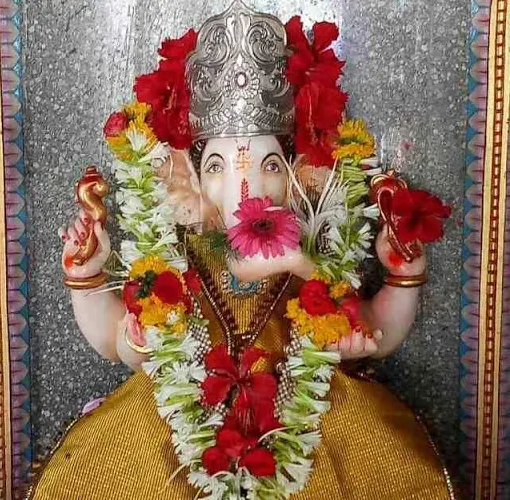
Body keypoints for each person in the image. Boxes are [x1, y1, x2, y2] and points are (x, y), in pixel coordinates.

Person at [28, 2, 455, 499]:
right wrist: (89, 281)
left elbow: (375, 332)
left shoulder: (310, 253)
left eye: (269, 166)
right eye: (217, 167)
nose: (245, 190)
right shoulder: (176, 259)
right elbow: (114, 341)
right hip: (175, 421)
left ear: (299, 175)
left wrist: (401, 277)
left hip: (309, 418)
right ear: (188, 179)